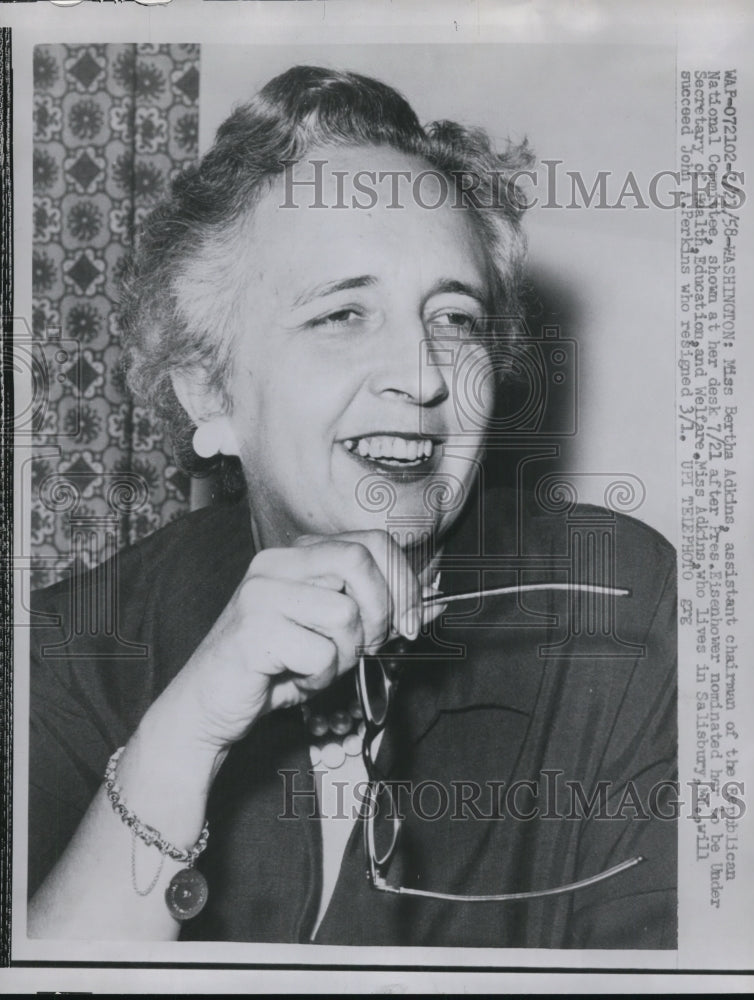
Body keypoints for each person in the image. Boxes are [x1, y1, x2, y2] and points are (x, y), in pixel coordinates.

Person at [28, 65, 677, 948]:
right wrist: (180, 740)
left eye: (454, 319)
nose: (421, 376)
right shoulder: (77, 649)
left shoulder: (626, 617)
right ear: (208, 391)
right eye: (341, 315)